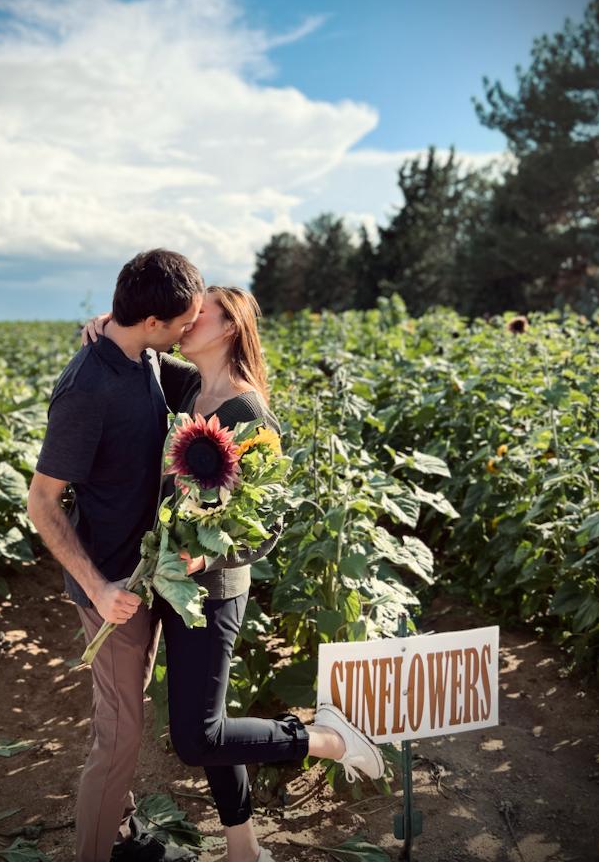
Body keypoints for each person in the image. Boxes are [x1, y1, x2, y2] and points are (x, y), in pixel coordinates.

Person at [83, 286, 384, 862]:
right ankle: (245, 848)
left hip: (213, 590)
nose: (187, 322)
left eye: (201, 315)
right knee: (209, 721)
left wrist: (205, 558)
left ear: (228, 328)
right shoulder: (191, 383)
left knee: (199, 738)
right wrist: (108, 321)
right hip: (172, 584)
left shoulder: (247, 412)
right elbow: (139, 344)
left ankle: (326, 739)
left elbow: (266, 525)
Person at [27, 248, 204, 862]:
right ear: (153, 320)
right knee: (121, 732)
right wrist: (99, 588)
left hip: (140, 575)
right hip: (110, 586)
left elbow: (195, 370)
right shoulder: (86, 388)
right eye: (184, 322)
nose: (190, 331)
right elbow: (43, 502)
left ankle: (122, 834)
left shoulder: (146, 356)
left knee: (121, 716)